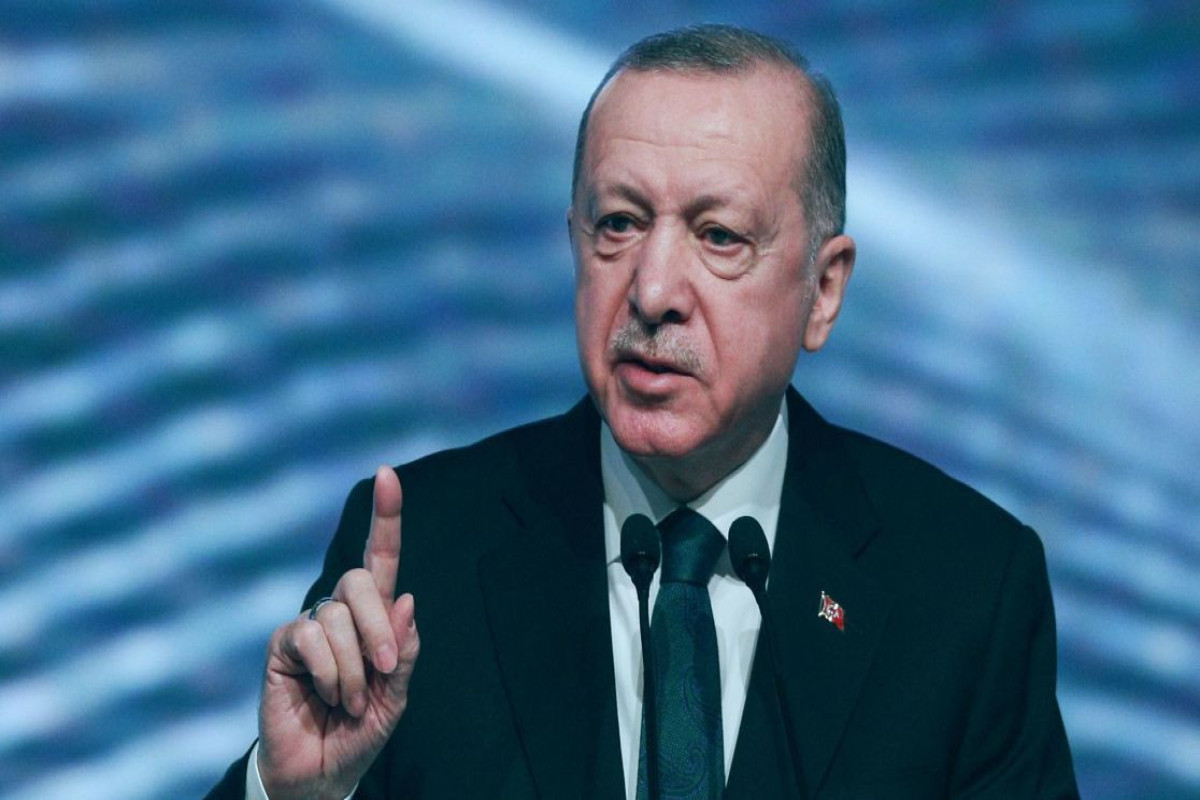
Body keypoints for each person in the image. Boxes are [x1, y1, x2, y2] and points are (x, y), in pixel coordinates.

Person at [207, 23, 1078, 800]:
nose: (653, 290)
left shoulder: (965, 589)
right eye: (619, 224)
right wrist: (295, 796)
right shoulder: (422, 560)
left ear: (823, 290)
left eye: (719, 236)